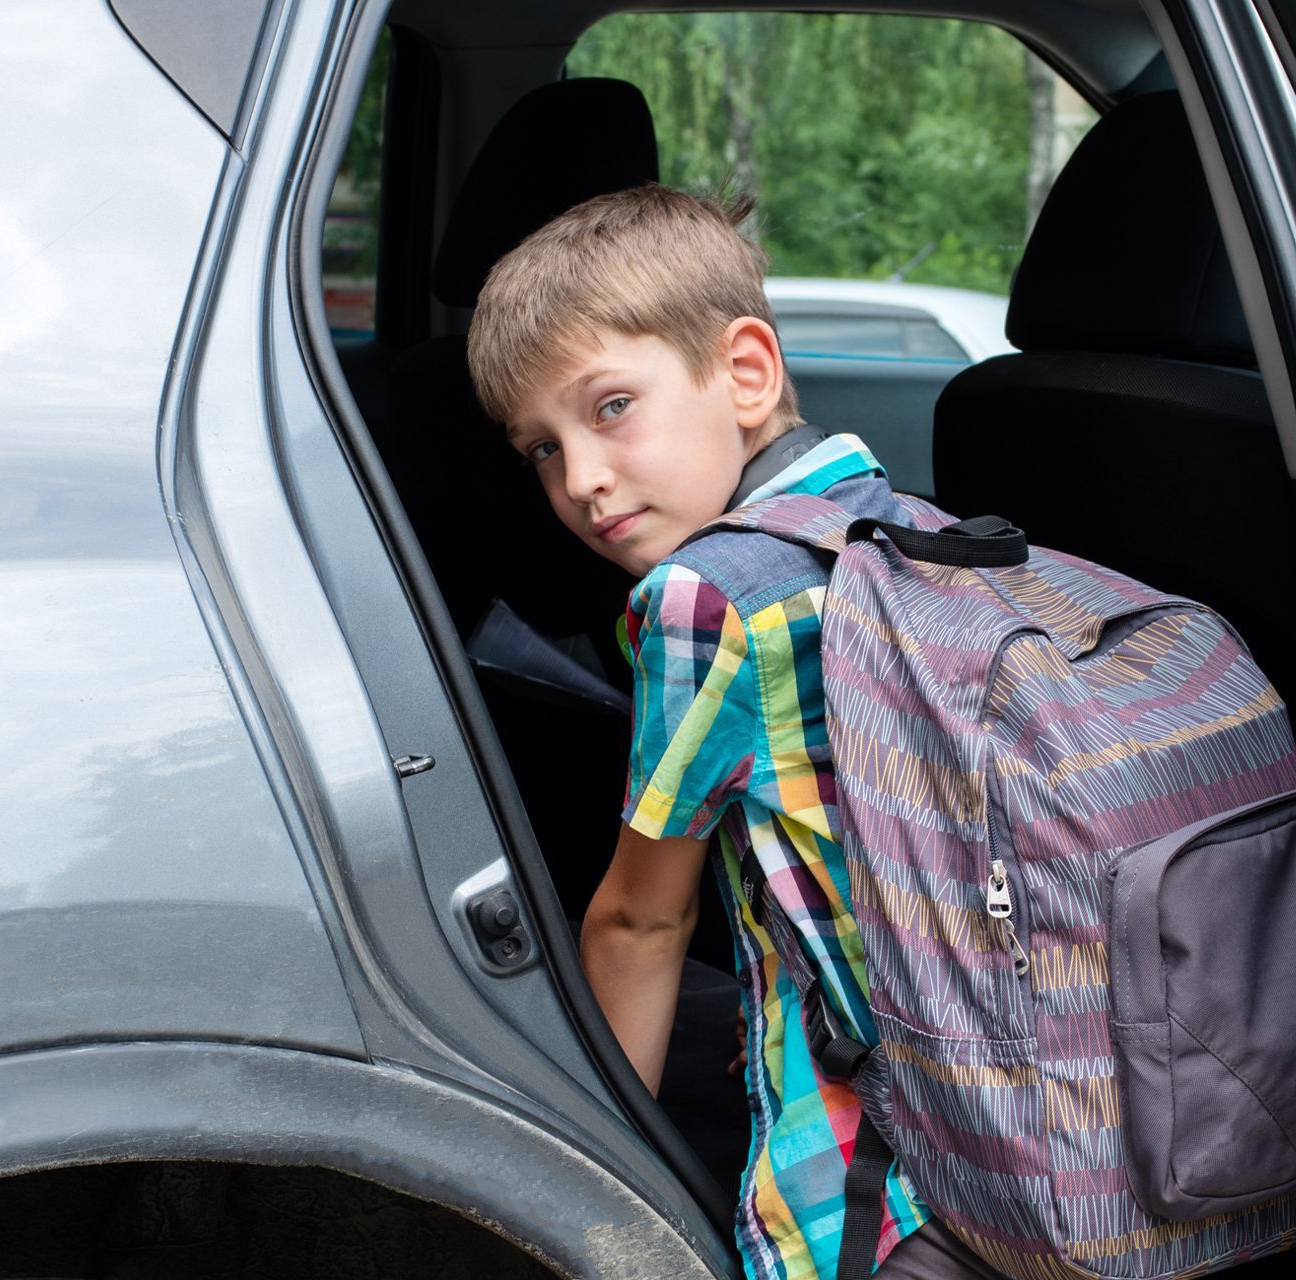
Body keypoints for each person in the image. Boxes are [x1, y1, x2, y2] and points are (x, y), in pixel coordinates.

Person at [466, 184, 1003, 1280]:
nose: (581, 479)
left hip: (862, 1182)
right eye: (540, 450)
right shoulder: (916, 529)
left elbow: (638, 924)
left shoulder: (703, 601)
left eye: (609, 407)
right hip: (1015, 1129)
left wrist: (579, 1194)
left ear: (746, 373)